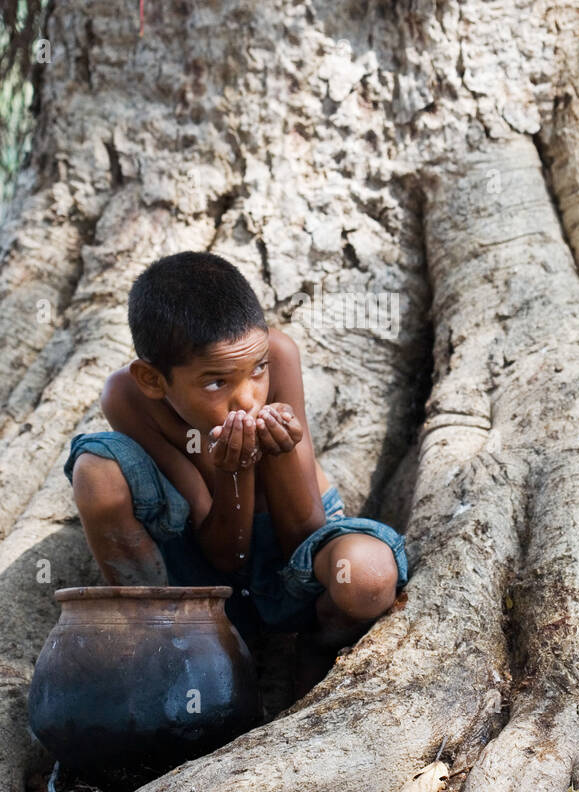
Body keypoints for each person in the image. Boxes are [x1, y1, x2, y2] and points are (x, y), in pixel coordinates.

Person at [64, 251, 408, 688]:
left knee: (367, 577)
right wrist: (234, 473)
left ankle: (316, 647)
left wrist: (280, 455)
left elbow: (304, 532)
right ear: (153, 380)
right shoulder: (128, 397)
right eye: (215, 382)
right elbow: (225, 555)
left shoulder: (279, 355)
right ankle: (167, 643)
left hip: (294, 553)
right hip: (202, 560)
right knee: (96, 471)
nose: (248, 399)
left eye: (257, 369)